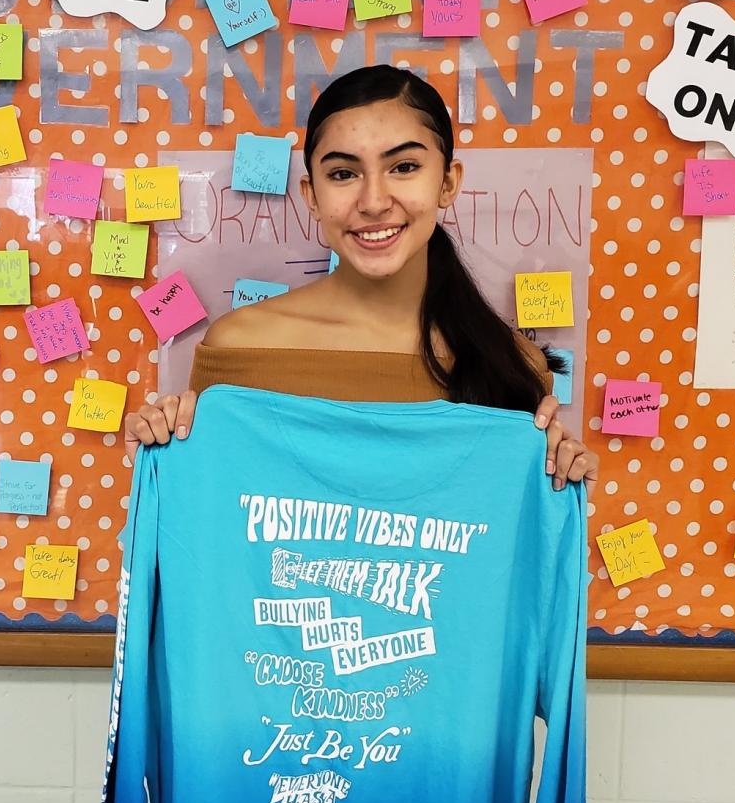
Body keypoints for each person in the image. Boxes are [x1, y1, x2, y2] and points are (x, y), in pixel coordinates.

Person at [123, 65, 598, 493]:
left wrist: (562, 485)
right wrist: (159, 460)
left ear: (448, 182)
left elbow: (500, 558)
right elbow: (212, 528)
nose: (373, 201)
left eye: (405, 167)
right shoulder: (238, 348)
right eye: (344, 173)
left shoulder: (513, 368)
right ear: (311, 195)